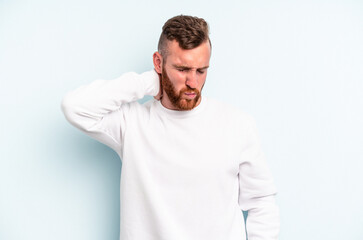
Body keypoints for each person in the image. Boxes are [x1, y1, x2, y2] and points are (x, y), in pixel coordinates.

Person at [61, 15, 280, 240]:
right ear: (159, 62)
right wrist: (148, 82)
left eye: (201, 70)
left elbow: (261, 202)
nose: (193, 83)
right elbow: (74, 107)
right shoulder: (132, 124)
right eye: (182, 69)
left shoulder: (237, 124)